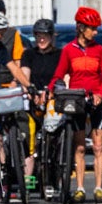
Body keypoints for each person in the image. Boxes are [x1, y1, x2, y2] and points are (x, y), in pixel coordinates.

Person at [49, 6, 102, 202]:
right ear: (80, 28)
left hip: (97, 101)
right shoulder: (69, 50)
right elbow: (58, 76)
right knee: (79, 147)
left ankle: (99, 188)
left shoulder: (100, 50)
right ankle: (79, 188)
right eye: (91, 28)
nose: (95, 32)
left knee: (98, 146)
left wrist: (100, 95)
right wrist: (53, 90)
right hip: (77, 101)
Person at [20, 18, 63, 188]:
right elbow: (25, 77)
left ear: (52, 36)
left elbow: (63, 78)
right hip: (34, 102)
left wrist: (52, 94)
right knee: (28, 134)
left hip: (53, 101)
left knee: (56, 133)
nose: (42, 39)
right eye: (38, 35)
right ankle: (27, 178)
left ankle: (57, 172)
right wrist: (31, 92)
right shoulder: (29, 55)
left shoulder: (60, 55)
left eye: (45, 35)